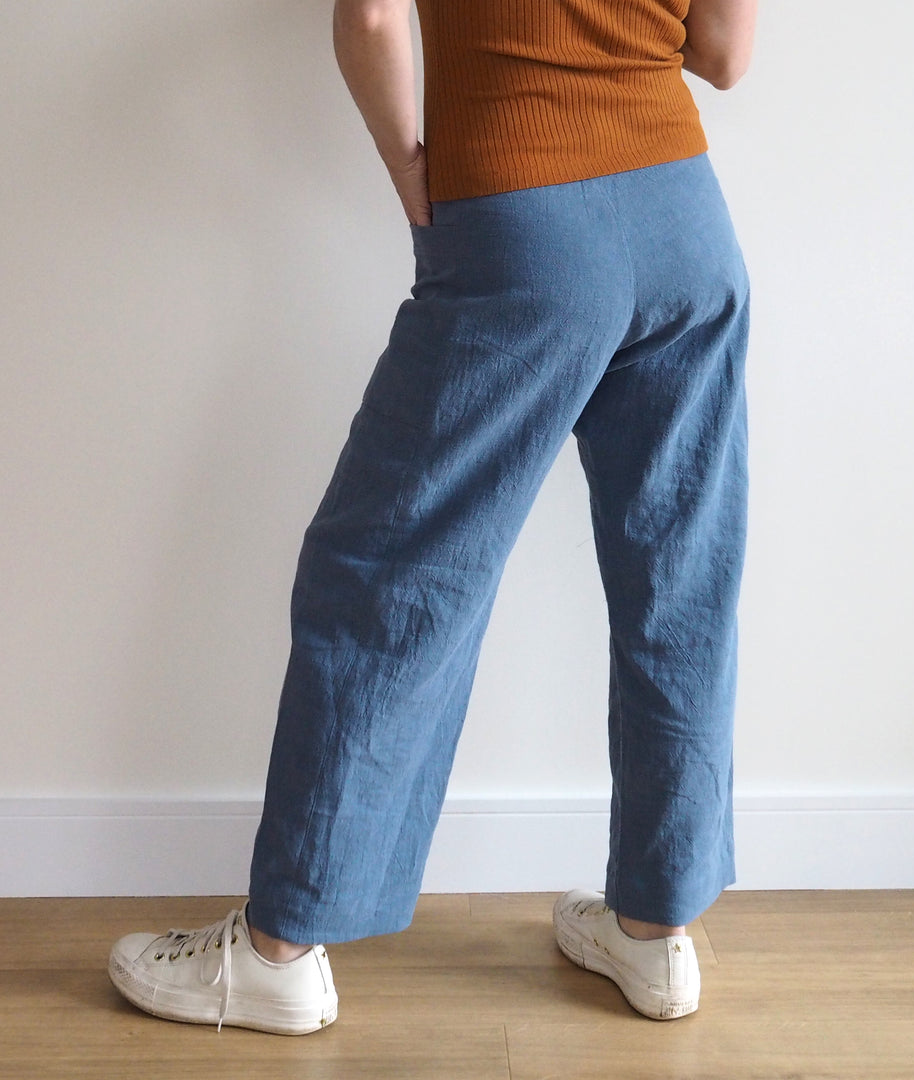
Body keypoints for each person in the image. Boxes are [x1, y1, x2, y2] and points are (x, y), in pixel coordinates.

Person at [107, 0, 757, 1034]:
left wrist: (409, 164)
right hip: (688, 226)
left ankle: (278, 952)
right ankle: (655, 930)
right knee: (678, 578)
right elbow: (724, 54)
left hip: (522, 212)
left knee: (387, 570)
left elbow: (371, 18)